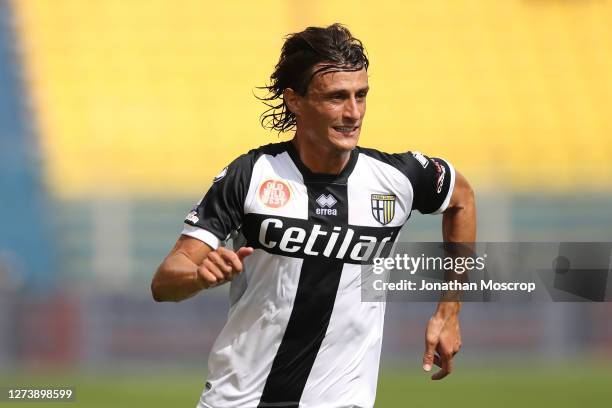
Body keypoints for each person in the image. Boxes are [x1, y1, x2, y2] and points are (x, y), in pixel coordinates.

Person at [152, 23, 476, 408]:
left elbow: (462, 200)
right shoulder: (252, 174)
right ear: (295, 101)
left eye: (361, 96)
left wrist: (449, 310)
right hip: (240, 398)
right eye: (337, 97)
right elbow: (165, 281)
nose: (353, 113)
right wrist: (198, 276)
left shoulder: (396, 178)